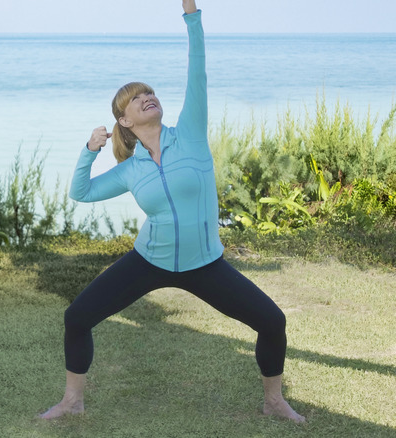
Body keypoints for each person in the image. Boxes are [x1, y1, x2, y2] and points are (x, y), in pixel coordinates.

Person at [40, 0, 305, 423]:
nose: (147, 97)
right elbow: (81, 192)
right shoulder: (130, 170)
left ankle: (273, 400)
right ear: (124, 122)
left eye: (149, 92)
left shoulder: (192, 135)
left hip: (204, 263)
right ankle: (73, 401)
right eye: (135, 98)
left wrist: (192, 14)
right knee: (77, 317)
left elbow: (196, 71)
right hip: (150, 261)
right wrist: (88, 152)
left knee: (272, 321)